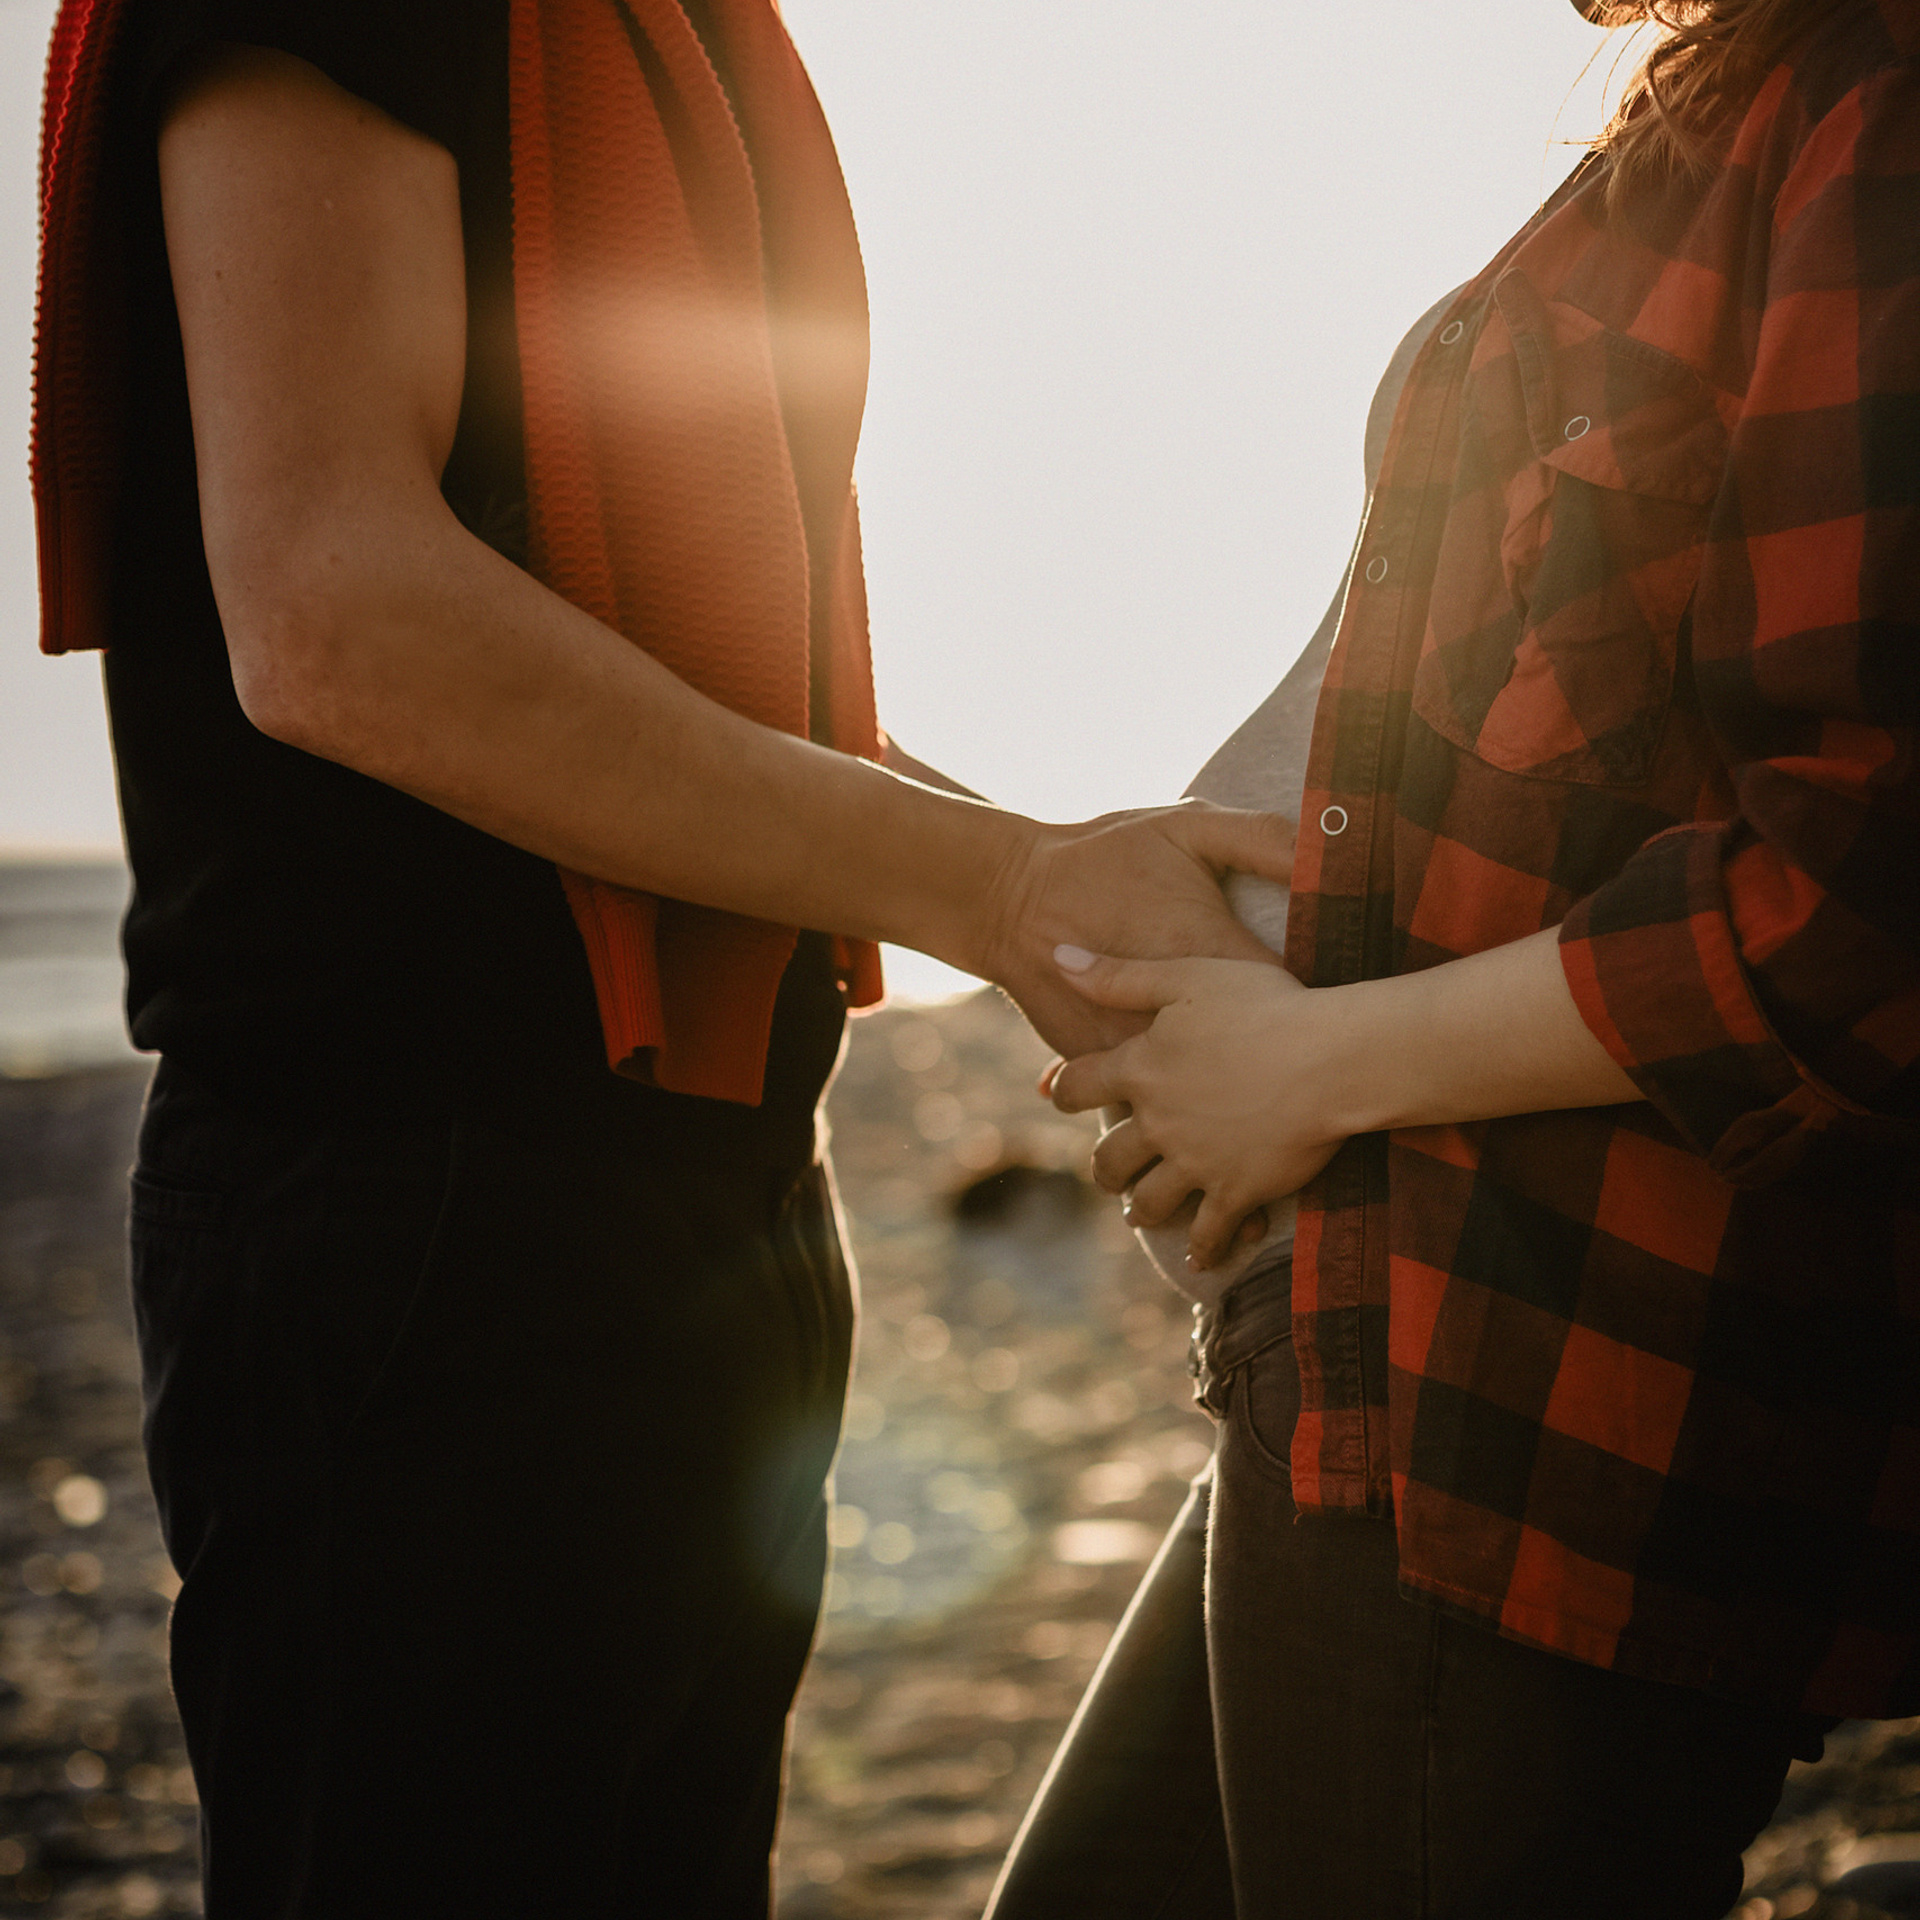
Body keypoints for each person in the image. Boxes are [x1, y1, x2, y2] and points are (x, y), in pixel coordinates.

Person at [30, 1, 1294, 1913]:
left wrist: (1051, 879)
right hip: (421, 1227)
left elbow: (679, 685)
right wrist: (1002, 890)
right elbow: (335, 613)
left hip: (716, 1182)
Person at [990, 1, 1920, 1915]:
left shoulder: (1877, 111)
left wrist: (1313, 1064)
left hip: (1555, 1385)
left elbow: (1870, 894)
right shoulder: (1722, 110)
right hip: (1379, 1337)